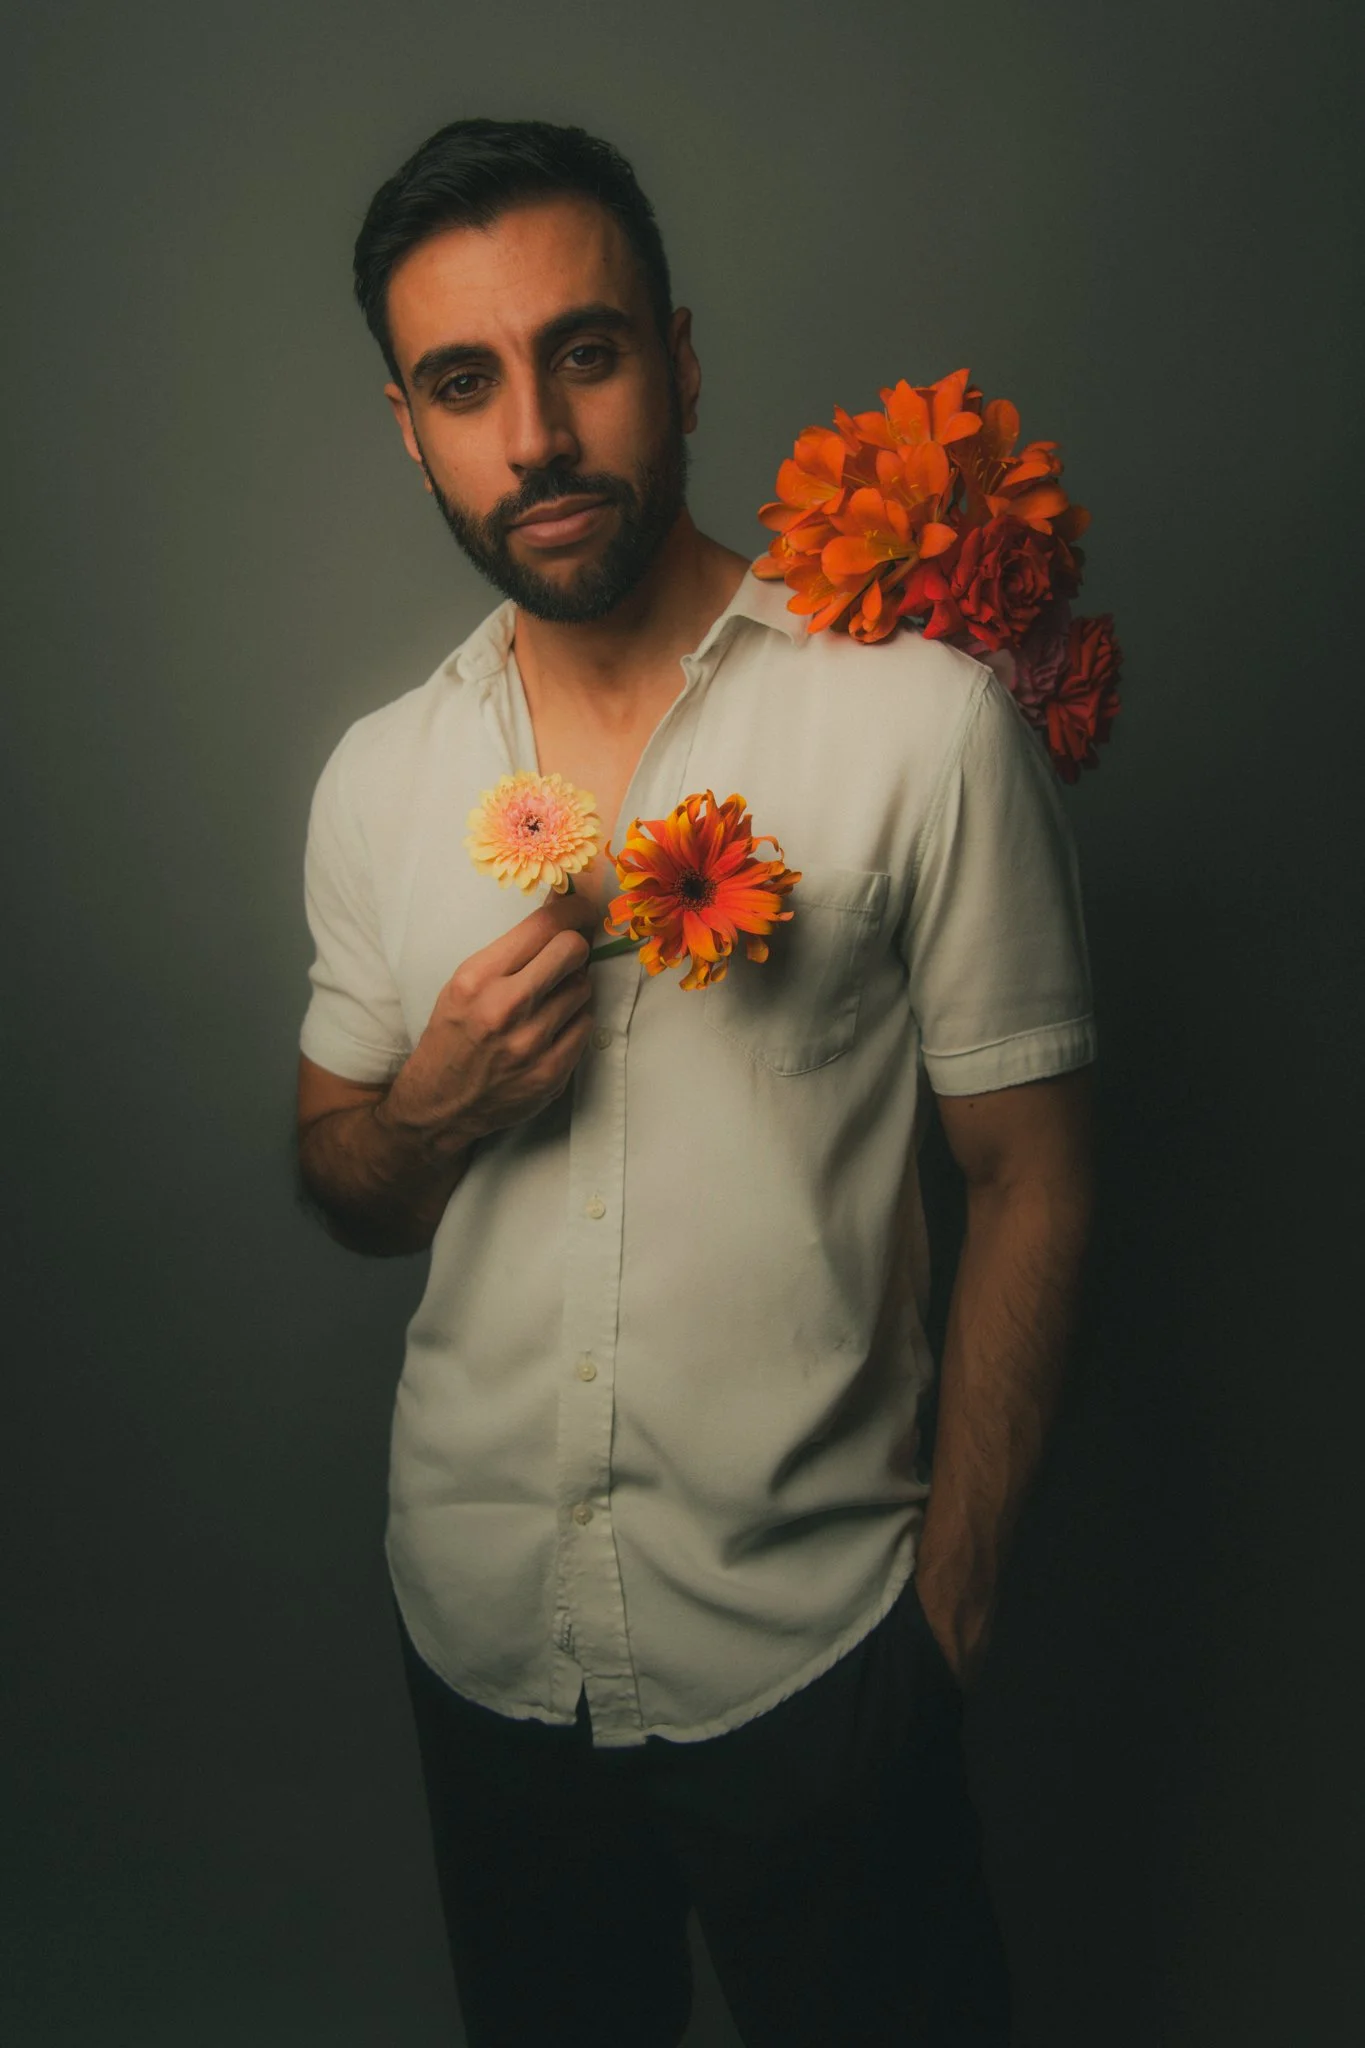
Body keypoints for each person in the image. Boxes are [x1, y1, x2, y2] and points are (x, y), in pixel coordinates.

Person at [295, 115, 1097, 2048]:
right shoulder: (375, 779)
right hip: (483, 1650)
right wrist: (437, 1106)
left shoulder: (916, 722)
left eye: (585, 353)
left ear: (679, 351)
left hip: (821, 1660)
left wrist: (950, 1613)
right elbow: (341, 1174)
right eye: (463, 384)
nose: (537, 439)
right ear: (406, 424)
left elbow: (1035, 1174)